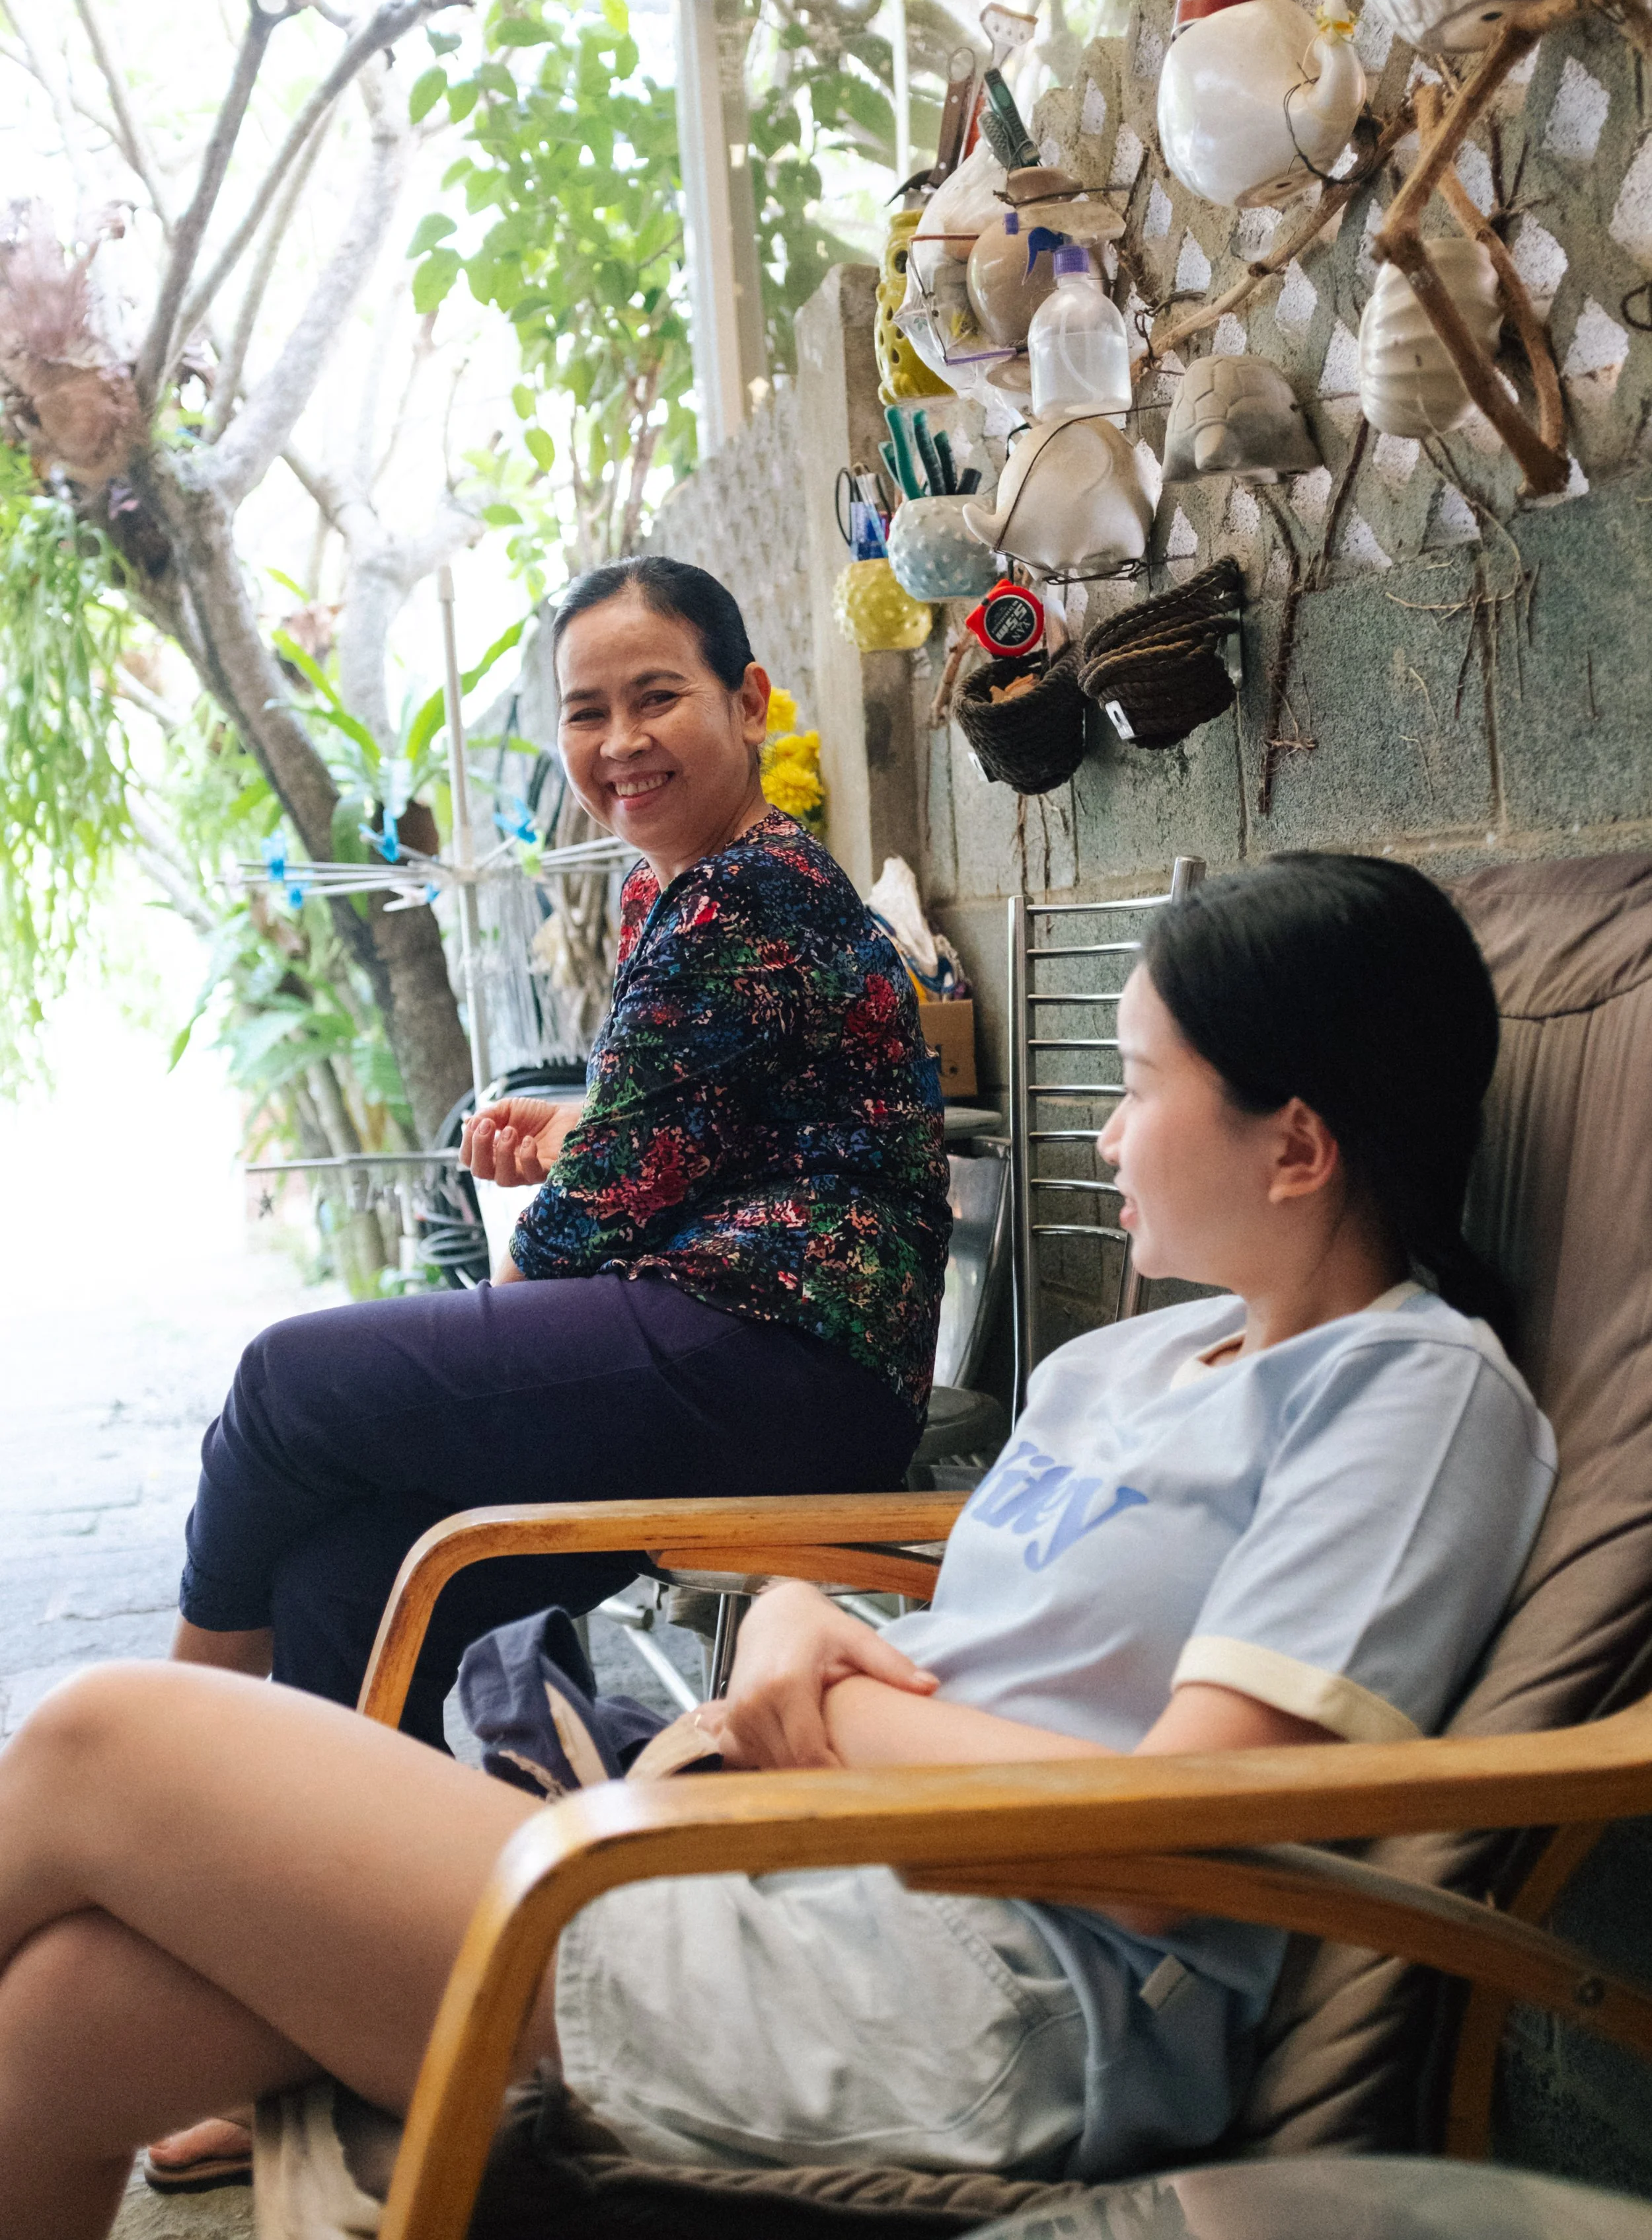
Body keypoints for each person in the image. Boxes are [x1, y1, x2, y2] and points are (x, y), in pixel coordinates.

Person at [0, 854, 1556, 2239]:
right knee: (63, 2031)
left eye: (1139, 1088)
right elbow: (997, 1643)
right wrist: (799, 1621)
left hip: (970, 1996)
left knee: (99, 1736)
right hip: (788, 1864)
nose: (1097, 1131)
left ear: (1293, 1150)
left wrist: (819, 1699)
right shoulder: (1125, 1367)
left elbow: (1184, 1843)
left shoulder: (1408, 1397)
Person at [167, 556, 952, 1752]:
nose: (620, 739)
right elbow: (690, 1124)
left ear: (749, 702)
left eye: (657, 696)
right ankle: (349, 1891)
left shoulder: (748, 896)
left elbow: (585, 1222)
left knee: (287, 1388)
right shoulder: (673, 892)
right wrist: (586, 1131)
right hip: (746, 1349)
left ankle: (173, 1748)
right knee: (348, 1569)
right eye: (586, 713)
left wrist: (488, 1347)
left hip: (790, 1358)